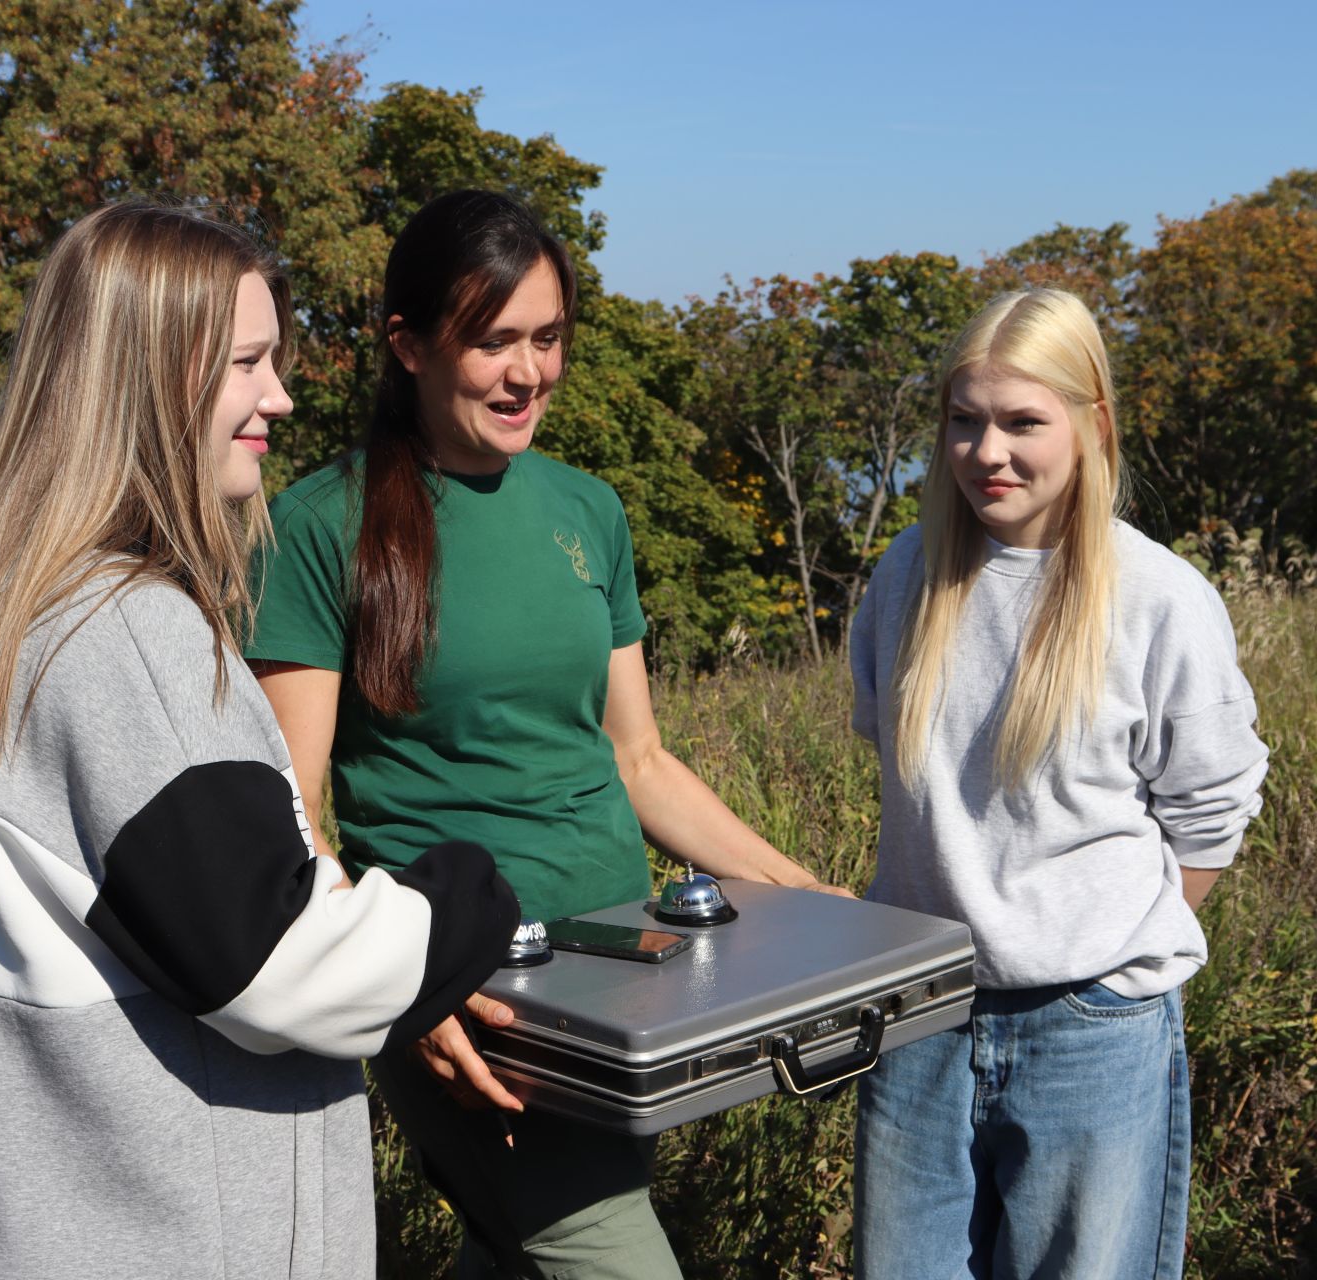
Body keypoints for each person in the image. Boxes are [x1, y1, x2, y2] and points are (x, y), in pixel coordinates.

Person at [0, 200, 519, 1280]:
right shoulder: (123, 633)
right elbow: (280, 964)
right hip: (176, 1236)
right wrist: (465, 894)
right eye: (249, 363)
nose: (281, 395)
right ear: (151, 378)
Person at [249, 189, 847, 1280]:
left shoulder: (588, 510)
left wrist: (801, 892)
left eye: (548, 337)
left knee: (516, 1247)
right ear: (410, 344)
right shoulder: (320, 525)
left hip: (624, 975)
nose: (530, 372)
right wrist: (404, 985)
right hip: (469, 997)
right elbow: (295, 811)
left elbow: (639, 759)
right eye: (494, 341)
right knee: (602, 1251)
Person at [846, 288, 1269, 1279]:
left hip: (1091, 1025)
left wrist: (1108, 941)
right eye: (964, 420)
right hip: (919, 1011)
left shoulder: (1158, 597)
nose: (987, 451)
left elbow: (1212, 810)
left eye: (1022, 421)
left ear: (1091, 425)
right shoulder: (905, 576)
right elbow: (895, 760)